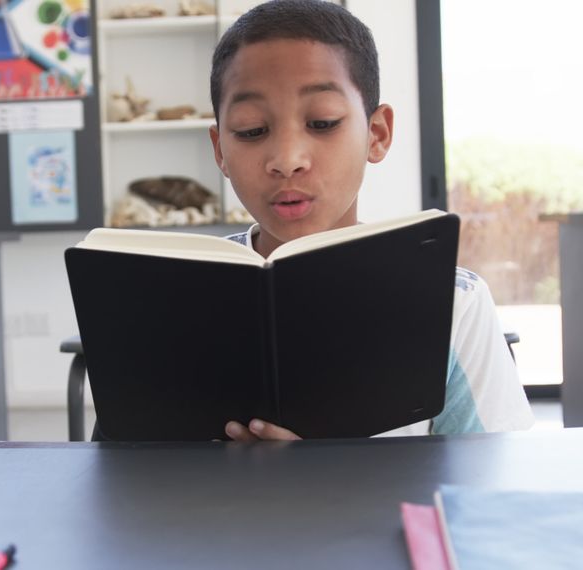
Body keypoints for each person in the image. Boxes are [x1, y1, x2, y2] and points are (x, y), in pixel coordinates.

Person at [207, 0, 534, 441]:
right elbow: (113, 477)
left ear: (376, 135)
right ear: (220, 150)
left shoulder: (452, 302)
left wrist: (331, 479)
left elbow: (490, 493)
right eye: (251, 130)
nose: (287, 160)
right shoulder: (171, 289)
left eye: (322, 122)